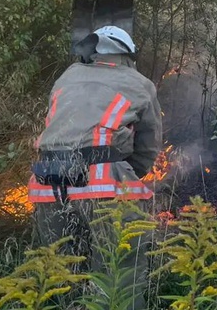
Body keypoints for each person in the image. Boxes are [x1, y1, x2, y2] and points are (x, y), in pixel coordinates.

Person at [27, 25, 162, 309]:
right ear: (127, 56)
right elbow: (148, 146)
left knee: (56, 274)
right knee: (118, 272)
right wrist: (128, 174)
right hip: (105, 184)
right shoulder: (139, 82)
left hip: (47, 185)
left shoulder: (66, 77)